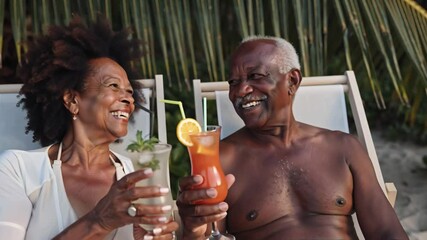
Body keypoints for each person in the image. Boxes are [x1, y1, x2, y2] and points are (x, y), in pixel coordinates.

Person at [176, 36, 408, 239]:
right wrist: (193, 232)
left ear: (292, 81)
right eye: (233, 82)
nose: (240, 91)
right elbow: (205, 236)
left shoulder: (342, 147)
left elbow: (386, 233)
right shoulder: (221, 159)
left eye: (255, 76)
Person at [0, 16, 178, 239]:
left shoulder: (135, 176)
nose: (128, 99)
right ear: (72, 100)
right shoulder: (19, 169)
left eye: (130, 92)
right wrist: (98, 221)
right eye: (113, 86)